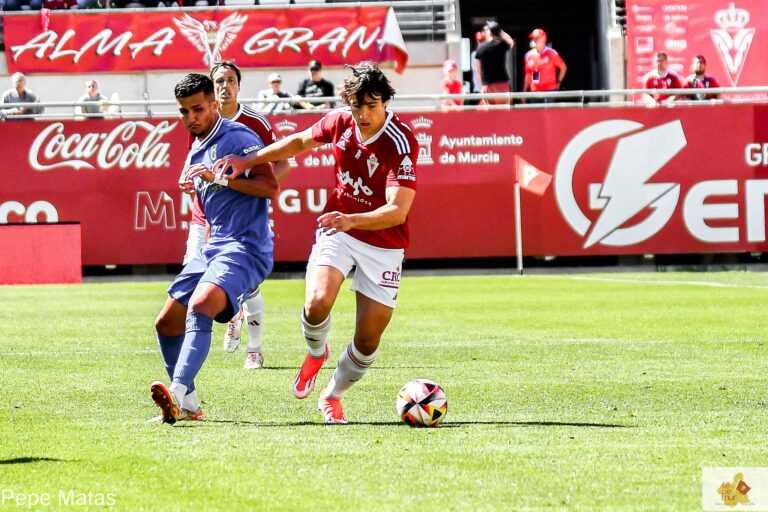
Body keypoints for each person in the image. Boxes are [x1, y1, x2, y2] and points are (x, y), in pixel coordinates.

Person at [212, 62, 418, 425]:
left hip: (382, 242)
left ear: (386, 102)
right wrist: (248, 160)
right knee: (316, 303)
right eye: (357, 106)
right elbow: (299, 141)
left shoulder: (400, 141)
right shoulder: (340, 121)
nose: (363, 115)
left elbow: (397, 210)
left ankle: (332, 395)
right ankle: (316, 352)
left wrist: (352, 219)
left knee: (367, 341)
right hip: (339, 228)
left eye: (371, 106)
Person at [150, 73, 278, 424]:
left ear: (214, 105)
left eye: (198, 109)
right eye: (184, 111)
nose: (191, 118)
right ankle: (190, 404)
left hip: (246, 246)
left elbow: (269, 187)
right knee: (166, 322)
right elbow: (211, 206)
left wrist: (219, 178)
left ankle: (176, 392)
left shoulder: (239, 136)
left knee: (200, 304)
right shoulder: (197, 146)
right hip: (214, 246)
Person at [181, 61, 289, 370]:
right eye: (219, 81)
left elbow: (282, 164)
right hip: (205, 215)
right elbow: (194, 162)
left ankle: (254, 349)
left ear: (239, 86)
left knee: (248, 283)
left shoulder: (254, 122)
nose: (225, 86)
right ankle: (185, 376)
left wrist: (253, 192)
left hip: (241, 217)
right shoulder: (200, 118)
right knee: (193, 281)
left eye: (230, 80)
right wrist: (188, 179)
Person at [474, 21, 514, 106]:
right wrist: (500, 31)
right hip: (502, 84)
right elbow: (511, 41)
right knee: (503, 111)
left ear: (489, 33)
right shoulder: (501, 45)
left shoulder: (480, 48)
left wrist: (482, 85)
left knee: (490, 112)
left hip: (487, 85)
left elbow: (478, 70)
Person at [523, 28, 567, 103]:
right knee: (535, 110)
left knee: (548, 110)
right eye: (533, 38)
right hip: (535, 91)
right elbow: (529, 74)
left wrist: (559, 83)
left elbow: (563, 67)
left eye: (536, 38)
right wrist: (524, 91)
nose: (534, 40)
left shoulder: (551, 53)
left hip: (549, 91)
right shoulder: (528, 55)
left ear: (543, 40)